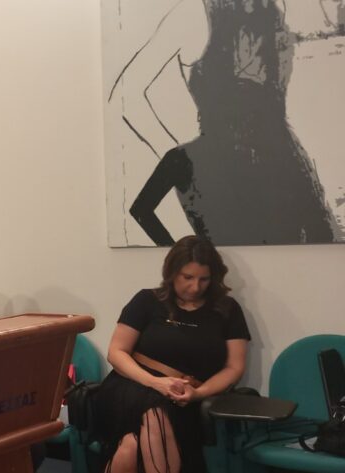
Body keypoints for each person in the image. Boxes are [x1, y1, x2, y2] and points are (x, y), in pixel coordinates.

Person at [112, 0, 344, 245]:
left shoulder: (271, 10)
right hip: (235, 158)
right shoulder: (195, 13)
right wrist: (187, 161)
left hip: (269, 151)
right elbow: (128, 93)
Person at [93, 235, 250, 472]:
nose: (195, 287)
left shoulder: (227, 309)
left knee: (131, 447)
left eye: (204, 279)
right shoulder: (147, 300)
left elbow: (234, 367)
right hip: (132, 385)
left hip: (186, 395)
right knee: (155, 412)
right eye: (188, 277)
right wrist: (155, 383)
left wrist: (198, 394)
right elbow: (116, 352)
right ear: (172, 272)